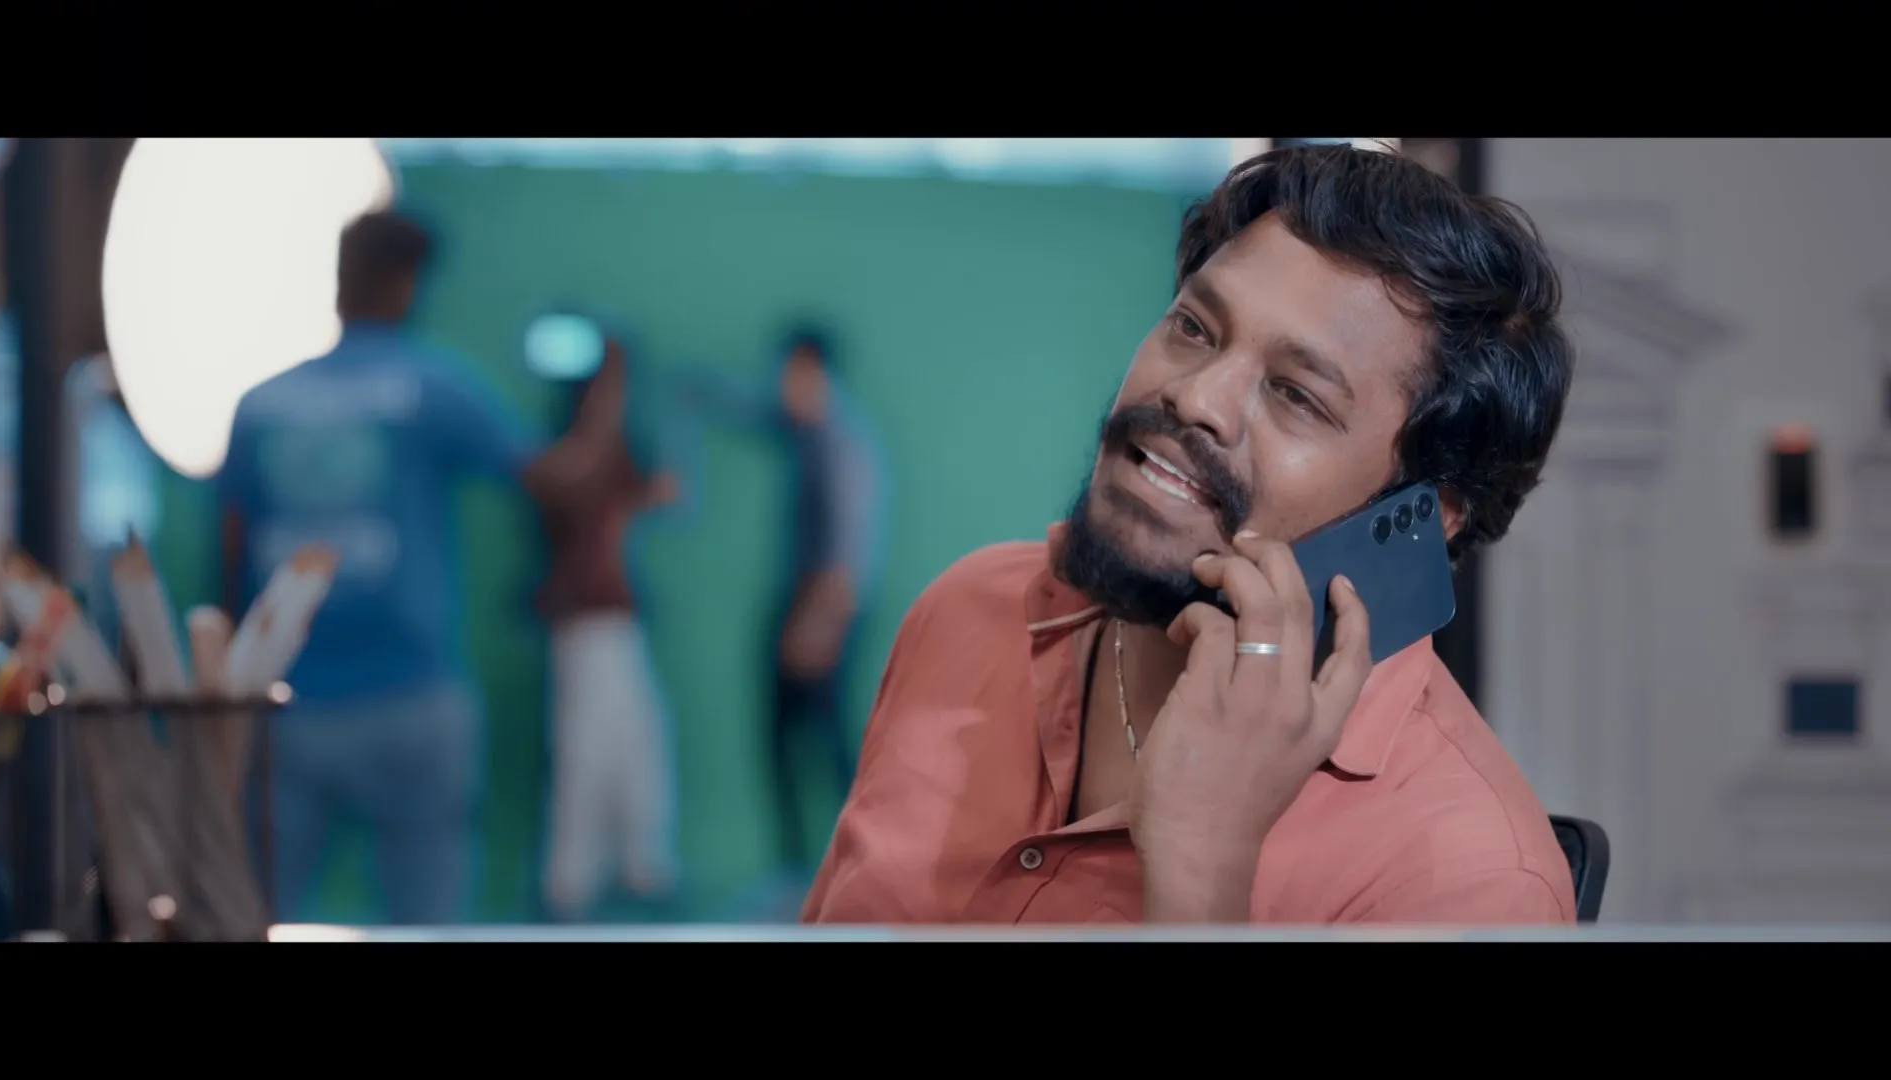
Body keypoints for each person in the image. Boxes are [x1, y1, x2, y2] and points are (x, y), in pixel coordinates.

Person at [802, 143, 1578, 925]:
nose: (1195, 395)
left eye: (1296, 395)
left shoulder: (1473, 880)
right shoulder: (971, 611)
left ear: (1423, 513)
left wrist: (1202, 871)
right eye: (1195, 327)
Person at [218, 210, 546, 925]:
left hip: (283, 704)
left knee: (250, 917)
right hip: (410, 699)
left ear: (338, 277)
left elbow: (230, 557)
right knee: (425, 925)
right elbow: (545, 481)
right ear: (408, 285)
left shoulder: (260, 404)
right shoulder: (433, 385)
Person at [679, 325, 886, 878]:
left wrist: (819, 625)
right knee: (779, 741)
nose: (782, 386)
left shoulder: (845, 445)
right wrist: (701, 389)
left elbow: (849, 555)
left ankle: (860, 867)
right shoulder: (803, 432)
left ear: (817, 372)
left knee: (828, 741)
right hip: (797, 600)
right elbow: (752, 411)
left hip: (825, 607)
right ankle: (795, 869)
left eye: (791, 373)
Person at [532, 327, 681, 920]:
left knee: (635, 748)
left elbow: (661, 493)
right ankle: (567, 885)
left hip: (615, 624)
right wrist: (613, 370)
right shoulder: (571, 459)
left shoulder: (612, 459)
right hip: (584, 627)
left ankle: (636, 870)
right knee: (584, 754)